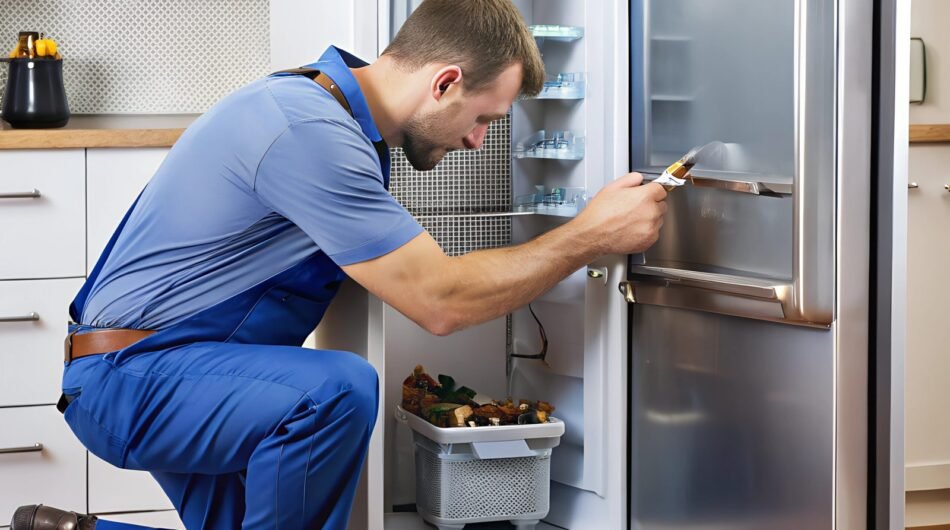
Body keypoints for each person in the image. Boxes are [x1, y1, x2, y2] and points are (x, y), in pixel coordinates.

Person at [11, 1, 667, 529]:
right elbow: (440, 301)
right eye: (484, 118)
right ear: (443, 83)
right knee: (334, 391)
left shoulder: (338, 124)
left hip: (185, 369)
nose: (478, 141)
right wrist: (589, 236)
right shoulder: (308, 131)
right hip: (137, 377)